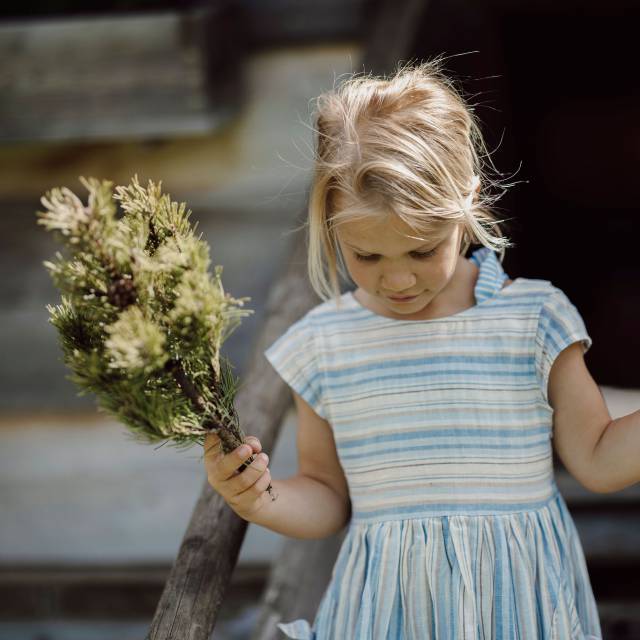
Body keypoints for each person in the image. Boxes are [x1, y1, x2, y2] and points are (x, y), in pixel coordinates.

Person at [202, 58, 637, 639]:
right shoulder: (326, 345)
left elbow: (600, 459)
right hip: (388, 612)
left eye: (422, 249)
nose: (398, 280)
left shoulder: (533, 319)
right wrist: (261, 499)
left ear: (468, 202)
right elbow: (329, 495)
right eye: (368, 256)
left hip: (514, 607)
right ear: (332, 224)